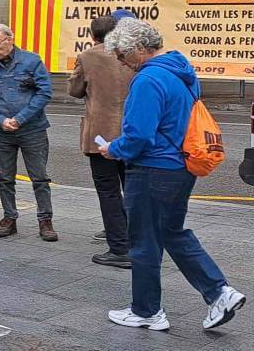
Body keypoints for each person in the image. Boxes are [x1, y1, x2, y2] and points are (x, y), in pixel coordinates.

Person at [100, 19, 245, 331]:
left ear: (139, 49)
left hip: (152, 169)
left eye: (123, 56)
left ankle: (147, 311)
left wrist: (114, 148)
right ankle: (219, 292)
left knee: (144, 241)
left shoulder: (148, 79)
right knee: (169, 232)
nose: (123, 64)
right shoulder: (181, 72)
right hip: (180, 166)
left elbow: (139, 136)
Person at [68, 15, 134, 269]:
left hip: (100, 136)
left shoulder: (88, 56)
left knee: (108, 193)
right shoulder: (131, 54)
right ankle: (138, 244)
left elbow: (74, 90)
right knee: (133, 191)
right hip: (131, 134)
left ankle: (119, 247)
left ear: (93, 35)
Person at [0, 24, 56, 241]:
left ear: (9, 39)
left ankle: (45, 220)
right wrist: (0, 120)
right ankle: (9, 217)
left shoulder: (32, 61)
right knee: (4, 177)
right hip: (3, 132)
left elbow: (44, 93)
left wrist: (20, 119)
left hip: (33, 130)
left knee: (39, 177)